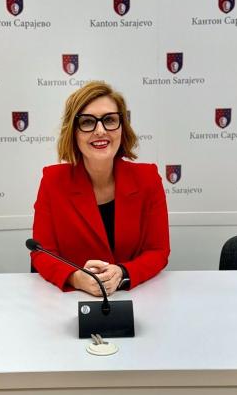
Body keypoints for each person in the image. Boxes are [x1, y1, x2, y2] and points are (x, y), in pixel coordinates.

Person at [31, 81, 170, 295]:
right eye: (87, 122)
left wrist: (123, 272)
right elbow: (42, 252)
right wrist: (76, 277)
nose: (100, 130)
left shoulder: (148, 178)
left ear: (122, 127)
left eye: (109, 120)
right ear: (73, 132)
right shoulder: (52, 181)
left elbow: (158, 251)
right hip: (72, 301)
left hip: (134, 298)